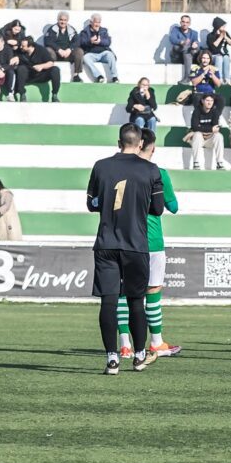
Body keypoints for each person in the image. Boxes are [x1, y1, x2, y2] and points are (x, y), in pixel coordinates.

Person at [85, 124, 165, 375]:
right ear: (140, 143)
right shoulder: (151, 170)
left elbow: (91, 204)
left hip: (106, 243)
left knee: (108, 301)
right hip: (136, 244)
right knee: (136, 301)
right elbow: (158, 208)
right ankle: (139, 356)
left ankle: (112, 358)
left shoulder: (100, 166)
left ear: (119, 142)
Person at [118, 128, 182, 358]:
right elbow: (173, 207)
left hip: (124, 239)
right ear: (152, 147)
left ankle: (125, 345)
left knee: (123, 292)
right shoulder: (159, 173)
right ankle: (156, 342)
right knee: (152, 290)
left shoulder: (118, 171)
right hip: (151, 240)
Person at [184, 94, 225, 170]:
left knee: (219, 136)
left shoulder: (215, 112)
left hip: (209, 139)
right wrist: (210, 129)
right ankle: (196, 162)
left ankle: (219, 162)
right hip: (198, 139)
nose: (209, 103)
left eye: (211, 101)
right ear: (202, 101)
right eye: (207, 100)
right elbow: (195, 127)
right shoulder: (197, 111)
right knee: (197, 134)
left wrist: (202, 128)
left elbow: (215, 128)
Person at [15, 36, 61, 102]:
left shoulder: (41, 50)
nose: (21, 47)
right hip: (28, 75)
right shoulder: (19, 50)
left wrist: (41, 66)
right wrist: (15, 58)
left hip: (41, 74)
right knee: (21, 68)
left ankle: (54, 95)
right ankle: (22, 94)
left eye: (23, 46)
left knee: (55, 70)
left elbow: (51, 63)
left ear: (30, 46)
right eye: (21, 45)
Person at [77, 13, 118, 83]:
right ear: (91, 22)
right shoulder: (84, 32)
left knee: (110, 55)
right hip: (91, 54)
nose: (97, 24)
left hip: (103, 53)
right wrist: (90, 41)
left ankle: (115, 77)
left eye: (99, 22)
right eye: (96, 22)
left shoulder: (104, 31)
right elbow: (81, 42)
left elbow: (108, 42)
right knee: (85, 57)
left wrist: (100, 41)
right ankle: (99, 76)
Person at [42, 11, 83, 82]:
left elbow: (77, 41)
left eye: (65, 20)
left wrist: (69, 49)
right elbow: (48, 41)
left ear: (67, 21)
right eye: (61, 20)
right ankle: (49, 74)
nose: (63, 22)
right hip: (56, 54)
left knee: (79, 51)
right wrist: (58, 49)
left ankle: (76, 75)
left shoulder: (71, 30)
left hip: (68, 54)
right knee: (48, 50)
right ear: (58, 20)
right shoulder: (52, 29)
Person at [169, 14, 199, 82]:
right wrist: (182, 42)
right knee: (181, 47)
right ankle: (187, 77)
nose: (185, 24)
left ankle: (187, 78)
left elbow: (196, 41)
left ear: (189, 24)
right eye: (183, 22)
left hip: (188, 56)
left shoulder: (194, 33)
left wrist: (195, 44)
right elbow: (172, 39)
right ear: (180, 22)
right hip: (177, 56)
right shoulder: (175, 30)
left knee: (190, 50)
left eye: (187, 22)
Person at [207, 16, 231, 83]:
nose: (224, 27)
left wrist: (225, 37)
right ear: (218, 26)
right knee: (219, 58)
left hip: (224, 55)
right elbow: (213, 47)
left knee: (226, 57)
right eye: (223, 26)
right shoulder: (210, 35)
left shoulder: (225, 33)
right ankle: (219, 78)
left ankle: (227, 78)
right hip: (214, 55)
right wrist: (221, 37)